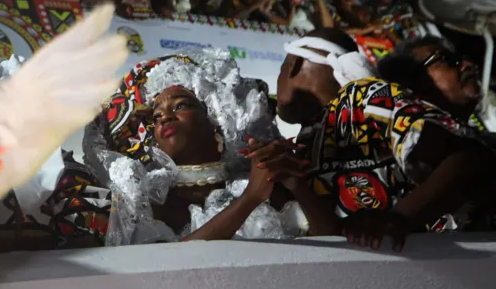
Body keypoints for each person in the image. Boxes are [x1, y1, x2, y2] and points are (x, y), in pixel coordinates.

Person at [77, 50, 339, 244]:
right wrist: (249, 200)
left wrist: (297, 186)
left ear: (217, 120)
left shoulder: (263, 184)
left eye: (180, 106)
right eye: (156, 117)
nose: (165, 118)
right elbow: (172, 269)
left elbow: (336, 245)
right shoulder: (153, 203)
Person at [276, 29, 496, 249]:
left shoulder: (362, 98)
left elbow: (470, 161)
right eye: (448, 60)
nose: (469, 65)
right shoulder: (311, 140)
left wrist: (397, 218)